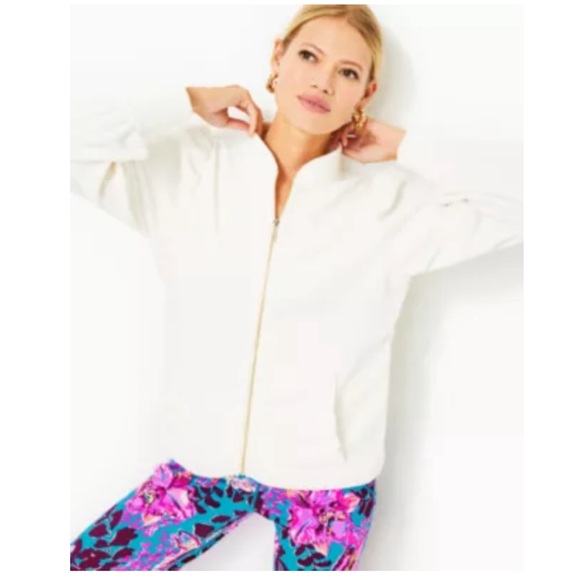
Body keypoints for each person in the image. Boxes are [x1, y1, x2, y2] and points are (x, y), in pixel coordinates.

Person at [69, 4, 523, 572]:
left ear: (366, 93)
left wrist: (404, 145)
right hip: (200, 469)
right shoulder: (187, 173)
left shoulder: (389, 206)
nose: (323, 81)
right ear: (277, 59)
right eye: (309, 56)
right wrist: (186, 101)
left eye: (347, 72)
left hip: (325, 493)